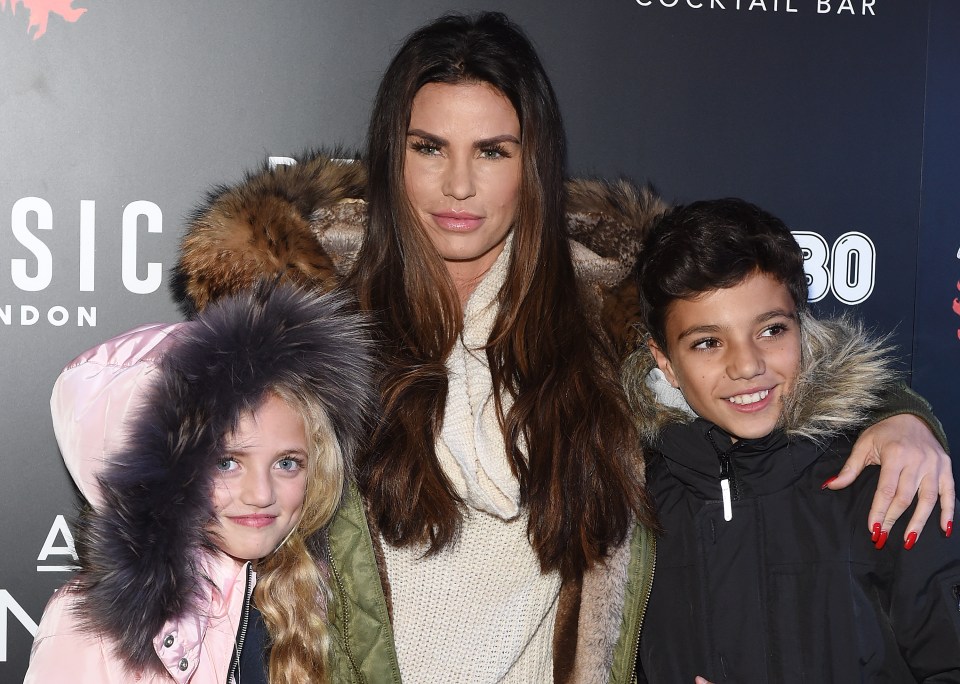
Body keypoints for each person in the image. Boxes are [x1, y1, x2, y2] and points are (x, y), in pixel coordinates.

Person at [170, 12, 952, 683]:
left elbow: (755, 345)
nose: (459, 187)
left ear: (533, 161)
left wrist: (898, 413)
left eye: (494, 151)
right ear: (391, 153)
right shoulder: (307, 311)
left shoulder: (608, 303)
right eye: (430, 147)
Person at [625, 198, 960, 682]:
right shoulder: (630, 498)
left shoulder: (888, 480)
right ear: (665, 362)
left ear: (801, 328)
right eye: (707, 342)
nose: (746, 365)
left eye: (770, 330)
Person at [23, 285, 375, 684]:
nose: (261, 495)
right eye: (227, 463)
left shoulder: (322, 599)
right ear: (159, 478)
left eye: (288, 463)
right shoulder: (93, 628)